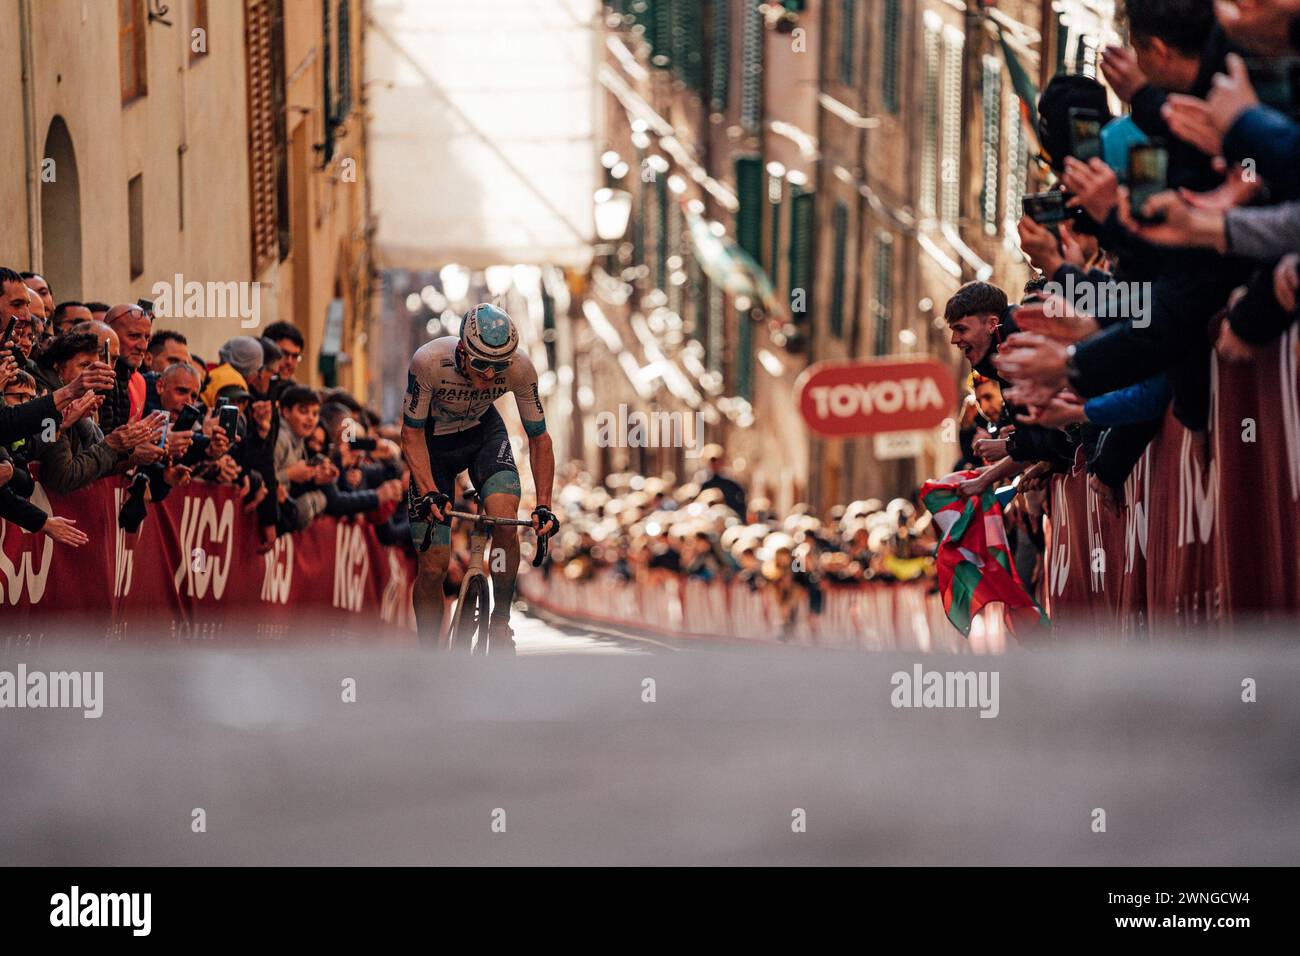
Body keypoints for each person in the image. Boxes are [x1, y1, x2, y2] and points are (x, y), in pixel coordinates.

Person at [400, 303, 558, 652]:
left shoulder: (521, 369)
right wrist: (428, 492)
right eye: (481, 364)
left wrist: (544, 505)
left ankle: (501, 621)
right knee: (433, 565)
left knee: (505, 519)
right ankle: (427, 653)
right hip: (433, 445)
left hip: (483, 435)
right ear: (461, 350)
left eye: (498, 367)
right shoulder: (428, 362)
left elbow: (539, 439)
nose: (489, 375)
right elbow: (410, 434)